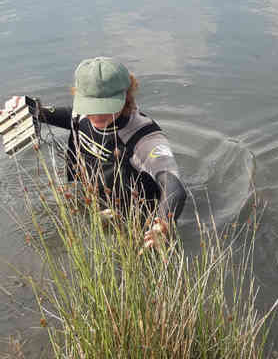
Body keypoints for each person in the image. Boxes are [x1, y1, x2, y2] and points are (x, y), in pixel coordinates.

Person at [2, 56, 188, 250]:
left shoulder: (145, 138)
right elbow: (57, 114)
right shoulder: (80, 113)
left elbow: (174, 186)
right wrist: (25, 106)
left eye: (105, 107)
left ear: (127, 96)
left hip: (139, 214)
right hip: (98, 200)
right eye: (92, 107)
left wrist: (162, 225)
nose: (97, 115)